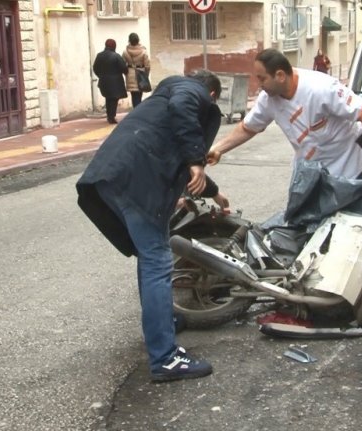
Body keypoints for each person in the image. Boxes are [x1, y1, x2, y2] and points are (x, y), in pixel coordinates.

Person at [76, 70, 224, 382]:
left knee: (151, 257)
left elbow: (182, 165)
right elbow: (187, 135)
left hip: (114, 176)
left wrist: (215, 192)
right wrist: (197, 159)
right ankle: (165, 358)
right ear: (211, 94)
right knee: (157, 259)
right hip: (137, 181)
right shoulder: (190, 91)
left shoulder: (166, 95)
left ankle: (163, 325)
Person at [207, 48, 362, 181]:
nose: (259, 84)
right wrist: (217, 149)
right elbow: (248, 127)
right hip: (310, 174)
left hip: (348, 172)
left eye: (262, 79)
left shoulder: (320, 88)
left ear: (280, 75)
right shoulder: (268, 99)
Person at [92, 39, 127, 124]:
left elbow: (95, 68)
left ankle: (109, 116)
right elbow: (124, 68)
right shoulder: (116, 56)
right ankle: (111, 117)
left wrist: (101, 76)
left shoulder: (99, 55)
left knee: (108, 98)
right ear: (114, 46)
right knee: (114, 99)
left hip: (104, 82)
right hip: (115, 82)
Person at [122, 32, 151, 108]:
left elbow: (122, 64)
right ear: (138, 40)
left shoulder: (125, 52)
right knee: (139, 95)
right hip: (141, 73)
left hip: (130, 74)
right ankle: (138, 110)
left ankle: (135, 109)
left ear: (129, 40)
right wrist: (146, 74)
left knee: (133, 95)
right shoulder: (144, 51)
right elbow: (147, 65)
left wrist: (126, 73)